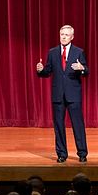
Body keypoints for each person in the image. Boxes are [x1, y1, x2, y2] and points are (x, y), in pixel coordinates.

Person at [35, 24, 88, 163]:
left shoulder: (78, 52)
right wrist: (41, 70)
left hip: (73, 94)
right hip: (58, 94)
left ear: (72, 37)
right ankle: (61, 154)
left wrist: (82, 68)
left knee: (78, 124)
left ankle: (82, 153)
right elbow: (47, 72)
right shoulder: (52, 52)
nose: (63, 37)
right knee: (58, 125)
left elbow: (86, 71)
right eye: (61, 34)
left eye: (66, 35)